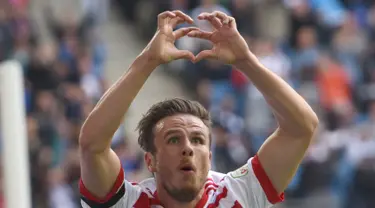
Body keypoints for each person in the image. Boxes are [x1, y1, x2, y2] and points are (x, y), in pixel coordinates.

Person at [78, 10, 319, 208]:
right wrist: (147, 61)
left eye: (197, 140)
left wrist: (246, 61)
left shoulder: (238, 194)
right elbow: (92, 145)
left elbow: (302, 128)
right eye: (173, 140)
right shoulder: (129, 202)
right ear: (150, 161)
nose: (188, 149)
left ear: (210, 157)